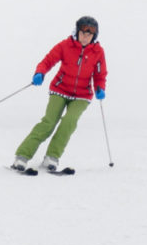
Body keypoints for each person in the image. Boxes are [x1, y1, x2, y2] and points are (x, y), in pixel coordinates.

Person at [11, 16, 107, 172]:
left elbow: (99, 74)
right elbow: (48, 61)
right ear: (77, 32)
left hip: (82, 95)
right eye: (83, 33)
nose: (85, 37)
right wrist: (40, 73)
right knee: (49, 122)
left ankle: (52, 157)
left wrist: (100, 88)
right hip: (60, 89)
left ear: (94, 36)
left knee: (69, 123)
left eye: (89, 34)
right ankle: (22, 156)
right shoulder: (65, 46)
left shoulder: (98, 52)